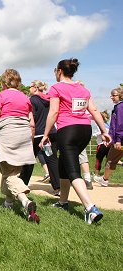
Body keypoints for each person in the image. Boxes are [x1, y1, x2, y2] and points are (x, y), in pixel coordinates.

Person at [40, 58, 110, 224]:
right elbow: (93, 109)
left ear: (59, 71)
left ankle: (90, 208)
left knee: (72, 171)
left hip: (68, 131)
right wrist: (103, 130)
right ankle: (63, 202)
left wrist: (45, 134)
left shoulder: (56, 88)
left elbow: (53, 112)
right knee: (63, 166)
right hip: (84, 131)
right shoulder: (83, 89)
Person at [0, 69, 40, 223]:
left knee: (8, 173)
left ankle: (25, 201)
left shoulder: (2, 95)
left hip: (8, 134)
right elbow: (32, 124)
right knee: (12, 172)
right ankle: (8, 203)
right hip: (24, 134)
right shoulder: (25, 98)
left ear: (4, 83)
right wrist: (29, 141)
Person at [19, 80, 61, 195]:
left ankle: (22, 184)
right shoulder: (50, 99)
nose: (29, 89)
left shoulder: (33, 100)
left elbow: (33, 118)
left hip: (38, 134)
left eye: (30, 86)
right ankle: (57, 187)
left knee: (29, 158)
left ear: (35, 88)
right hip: (51, 133)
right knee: (51, 159)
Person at [94, 87, 123, 187]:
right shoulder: (117, 107)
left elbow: (119, 125)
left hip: (120, 140)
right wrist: (109, 137)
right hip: (117, 139)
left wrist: (118, 140)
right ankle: (104, 179)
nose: (111, 97)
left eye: (114, 95)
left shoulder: (120, 107)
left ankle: (104, 179)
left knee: (111, 160)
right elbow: (113, 126)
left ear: (120, 95)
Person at [93, 111, 110, 176]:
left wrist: (94, 134)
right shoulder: (108, 125)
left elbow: (100, 133)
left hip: (101, 144)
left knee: (98, 160)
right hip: (108, 145)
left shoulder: (100, 124)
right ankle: (106, 175)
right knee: (109, 160)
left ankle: (96, 175)